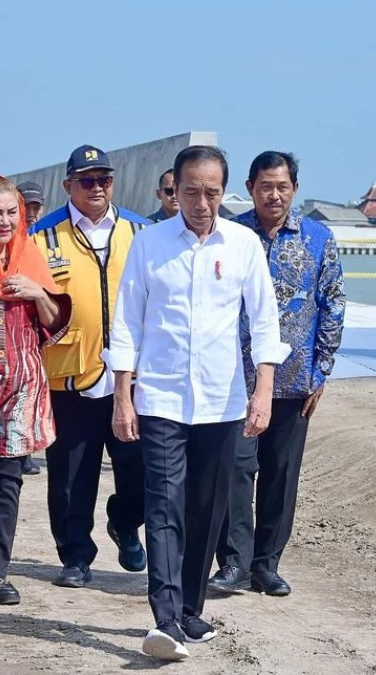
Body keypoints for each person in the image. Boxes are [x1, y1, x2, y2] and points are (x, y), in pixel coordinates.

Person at [106, 145, 289, 662]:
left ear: (224, 192)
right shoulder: (150, 245)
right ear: (174, 191)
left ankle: (190, 608)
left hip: (222, 398)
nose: (202, 203)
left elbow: (265, 321)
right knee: (163, 504)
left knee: (207, 510)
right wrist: (124, 393)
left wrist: (264, 390)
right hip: (161, 396)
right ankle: (164, 618)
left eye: (211, 192)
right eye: (191, 192)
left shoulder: (244, 244)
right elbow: (127, 322)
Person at [210, 151, 346, 598]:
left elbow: (333, 306)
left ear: (294, 189)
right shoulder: (228, 235)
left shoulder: (318, 239)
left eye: (282, 186)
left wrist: (320, 371)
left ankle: (267, 565)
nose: (274, 194)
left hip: (293, 382)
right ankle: (234, 562)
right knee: (234, 470)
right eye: (265, 186)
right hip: (235, 379)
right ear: (250, 187)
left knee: (280, 475)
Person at [29, 145, 149, 588]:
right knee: (70, 478)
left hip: (132, 377)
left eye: (104, 180)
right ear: (69, 186)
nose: (97, 188)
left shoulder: (140, 231)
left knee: (140, 470)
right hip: (70, 374)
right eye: (87, 181)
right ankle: (75, 555)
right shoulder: (43, 236)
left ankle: (125, 521)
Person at [0, 175, 72, 606]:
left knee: (6, 483)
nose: (4, 222)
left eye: (11, 213)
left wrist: (36, 290)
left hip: (22, 383)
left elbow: (54, 325)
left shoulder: (31, 254)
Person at [16, 179, 48, 476]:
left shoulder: (40, 239)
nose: (31, 212)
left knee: (30, 396)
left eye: (36, 206)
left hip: (35, 330)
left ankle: (25, 451)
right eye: (27, 206)